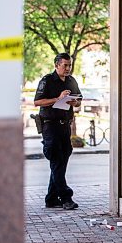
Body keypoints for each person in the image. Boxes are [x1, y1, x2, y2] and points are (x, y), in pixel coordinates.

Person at [34, 53, 82, 210]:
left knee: (61, 161)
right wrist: (57, 98)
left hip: (65, 125)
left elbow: (79, 100)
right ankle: (66, 197)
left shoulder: (71, 81)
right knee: (56, 159)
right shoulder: (47, 80)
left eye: (70, 65)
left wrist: (75, 102)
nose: (68, 68)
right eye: (65, 65)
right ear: (56, 65)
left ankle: (51, 198)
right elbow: (37, 101)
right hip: (50, 125)